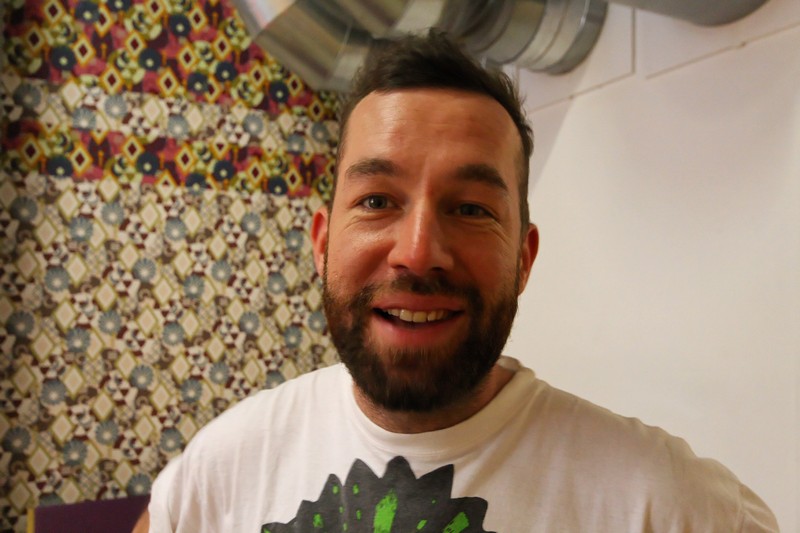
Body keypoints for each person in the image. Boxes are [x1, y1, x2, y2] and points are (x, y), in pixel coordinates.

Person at [141, 30, 778, 532]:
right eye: (377, 201)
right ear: (322, 243)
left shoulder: (663, 506)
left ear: (524, 258)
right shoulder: (218, 472)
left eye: (471, 208)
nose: (419, 253)